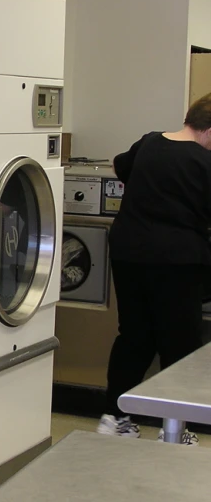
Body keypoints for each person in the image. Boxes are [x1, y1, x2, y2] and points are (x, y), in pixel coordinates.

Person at [96, 94, 211, 445]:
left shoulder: (150, 142)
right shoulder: (204, 162)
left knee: (134, 335)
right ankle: (175, 429)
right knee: (180, 342)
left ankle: (114, 419)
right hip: (177, 259)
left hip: (129, 251)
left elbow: (119, 167)